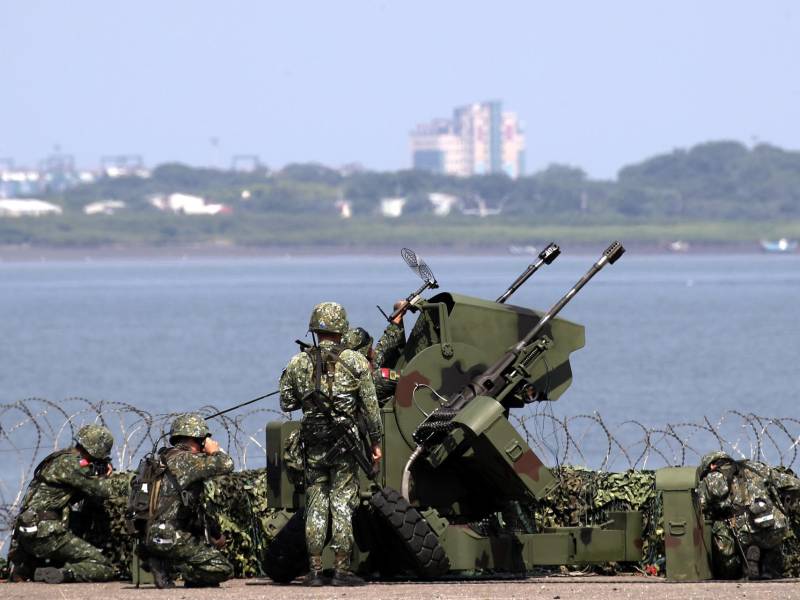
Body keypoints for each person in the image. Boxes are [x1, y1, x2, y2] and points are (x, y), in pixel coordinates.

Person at [280, 301, 382, 587]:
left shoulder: (299, 362)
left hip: (312, 440)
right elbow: (371, 409)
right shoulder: (356, 361)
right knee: (341, 501)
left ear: (314, 329)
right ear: (341, 329)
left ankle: (313, 570)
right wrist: (376, 443)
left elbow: (286, 401)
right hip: (345, 442)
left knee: (316, 501)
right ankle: (341, 569)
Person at [9, 424, 126, 583]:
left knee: (78, 519)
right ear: (97, 449)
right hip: (45, 532)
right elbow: (104, 491)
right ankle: (62, 573)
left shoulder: (60, 459)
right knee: (103, 566)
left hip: (28, 531)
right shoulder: (72, 464)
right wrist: (106, 475)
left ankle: (28, 567)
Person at [142, 413, 234, 589]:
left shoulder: (162, 458)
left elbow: (193, 506)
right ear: (198, 439)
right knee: (223, 569)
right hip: (168, 536)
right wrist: (213, 449)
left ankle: (160, 561)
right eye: (203, 439)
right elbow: (227, 464)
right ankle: (166, 565)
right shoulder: (188, 461)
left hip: (148, 535)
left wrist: (214, 534)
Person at [698, 451, 800, 579]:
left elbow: (700, 507)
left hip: (744, 534)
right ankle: (768, 566)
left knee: (721, 525)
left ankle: (749, 558)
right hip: (774, 527)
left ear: (712, 465)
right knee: (772, 538)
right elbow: (794, 484)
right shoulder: (757, 468)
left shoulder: (713, 478)